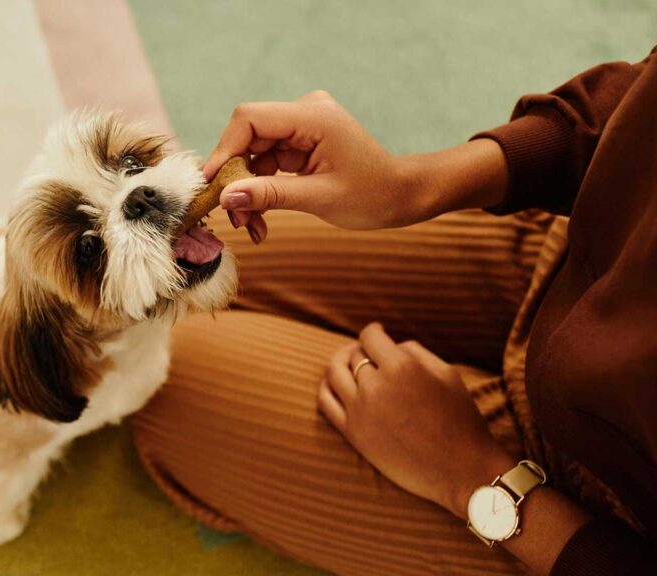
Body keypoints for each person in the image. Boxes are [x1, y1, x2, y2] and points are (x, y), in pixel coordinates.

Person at [132, 46, 656, 575]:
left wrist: (472, 477)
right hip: (581, 258)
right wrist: (410, 185)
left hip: (595, 518)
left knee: (162, 380)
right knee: (204, 269)